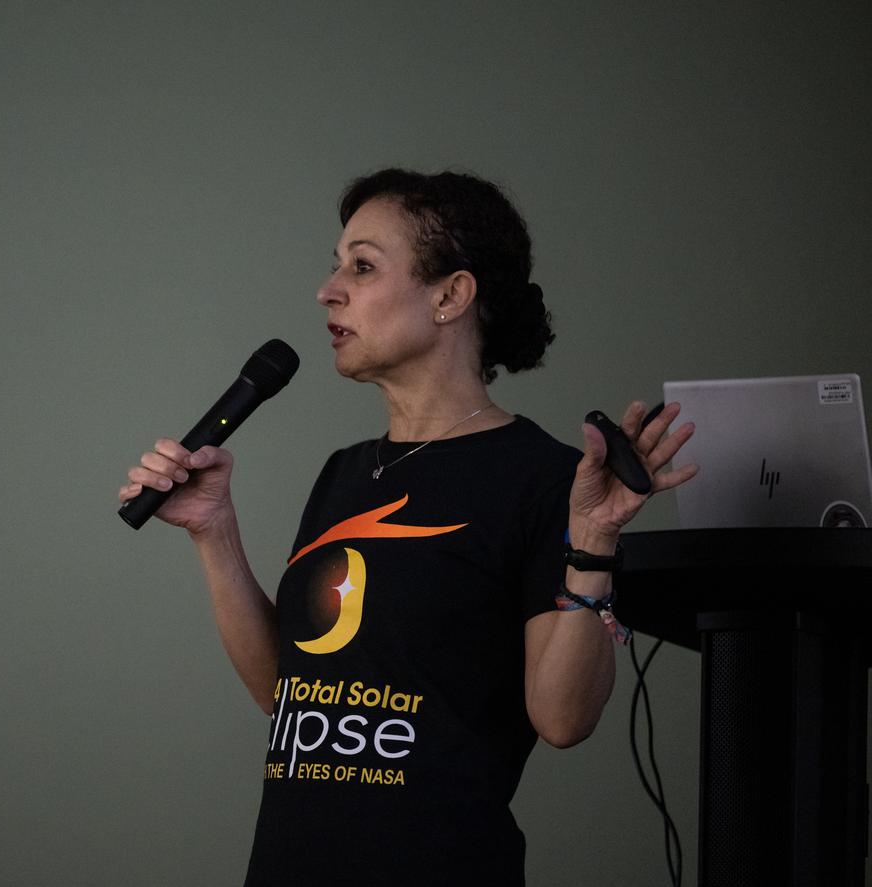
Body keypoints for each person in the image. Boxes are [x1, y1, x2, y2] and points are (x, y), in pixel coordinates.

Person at [117, 168, 697, 885]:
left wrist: (595, 542)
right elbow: (288, 691)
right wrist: (214, 531)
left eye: (362, 265)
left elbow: (562, 719)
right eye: (336, 266)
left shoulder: (544, 479)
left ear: (451, 295)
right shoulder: (345, 471)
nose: (329, 289)